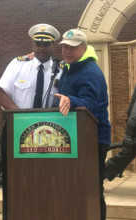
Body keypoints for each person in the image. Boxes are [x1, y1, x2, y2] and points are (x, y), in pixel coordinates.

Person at [0, 23, 60, 220]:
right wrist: (23, 120)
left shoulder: (61, 69)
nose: (41, 48)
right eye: (38, 43)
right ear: (32, 44)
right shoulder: (18, 64)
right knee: (14, 178)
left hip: (47, 134)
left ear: (53, 46)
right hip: (16, 130)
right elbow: (1, 93)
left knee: (46, 179)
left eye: (46, 44)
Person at [54, 29, 111, 220]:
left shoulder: (90, 71)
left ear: (84, 48)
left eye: (72, 48)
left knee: (92, 188)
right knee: (76, 188)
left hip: (93, 139)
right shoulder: (70, 68)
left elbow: (91, 104)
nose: (67, 51)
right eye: (64, 47)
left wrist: (71, 100)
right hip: (74, 137)